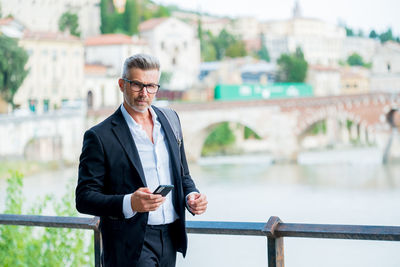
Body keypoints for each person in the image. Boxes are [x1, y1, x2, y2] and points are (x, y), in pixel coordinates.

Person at [75, 54, 208, 267]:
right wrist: (130, 203)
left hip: (170, 238)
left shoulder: (171, 120)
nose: (144, 93)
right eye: (137, 85)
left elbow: (183, 175)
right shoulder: (99, 136)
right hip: (129, 245)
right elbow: (84, 198)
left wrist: (192, 196)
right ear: (122, 84)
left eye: (151, 86)